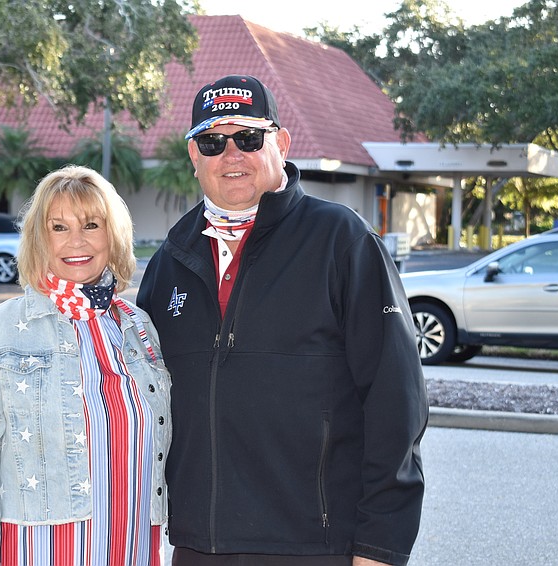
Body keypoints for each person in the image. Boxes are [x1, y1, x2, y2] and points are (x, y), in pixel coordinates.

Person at [136, 75, 428, 566]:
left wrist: (381, 546)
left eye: (249, 137)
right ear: (193, 155)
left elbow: (395, 401)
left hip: (316, 546)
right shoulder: (171, 259)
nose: (231, 154)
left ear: (282, 142)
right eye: (212, 141)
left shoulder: (341, 240)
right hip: (198, 546)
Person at [0, 165, 172, 566]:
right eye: (59, 227)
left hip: (136, 547)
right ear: (39, 238)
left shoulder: (139, 327)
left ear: (113, 236)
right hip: (43, 554)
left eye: (92, 224)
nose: (77, 240)